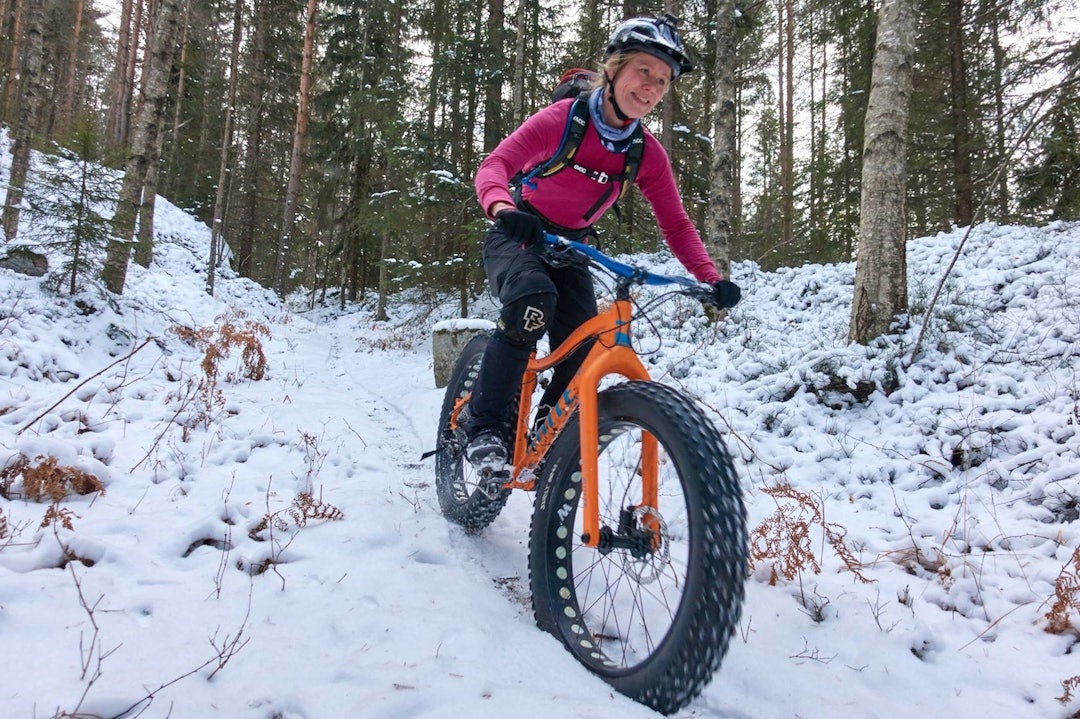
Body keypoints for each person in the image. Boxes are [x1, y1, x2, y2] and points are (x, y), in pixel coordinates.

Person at [464, 14, 742, 469]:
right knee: (532, 303)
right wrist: (504, 209)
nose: (651, 87)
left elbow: (675, 224)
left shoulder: (646, 153)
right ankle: (486, 430)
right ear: (613, 69)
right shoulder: (561, 121)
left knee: (583, 347)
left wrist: (711, 279)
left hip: (572, 246)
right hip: (519, 231)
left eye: (663, 80)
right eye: (644, 71)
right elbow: (495, 166)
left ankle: (546, 439)